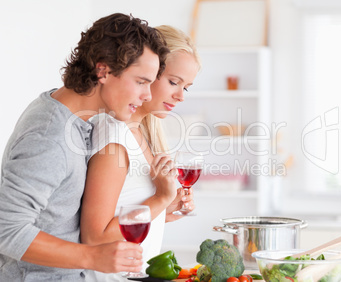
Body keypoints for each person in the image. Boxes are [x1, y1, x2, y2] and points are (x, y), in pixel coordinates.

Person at [0, 13, 169, 281]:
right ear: (103, 71)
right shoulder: (50, 135)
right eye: (141, 82)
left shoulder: (77, 120)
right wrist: (92, 257)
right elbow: (7, 230)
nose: (148, 95)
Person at [80, 25, 201, 281]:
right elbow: (95, 237)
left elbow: (123, 217)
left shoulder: (141, 134)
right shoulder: (115, 139)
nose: (180, 96)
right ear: (148, 72)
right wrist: (160, 198)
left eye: (186, 87)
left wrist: (162, 211)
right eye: (173, 82)